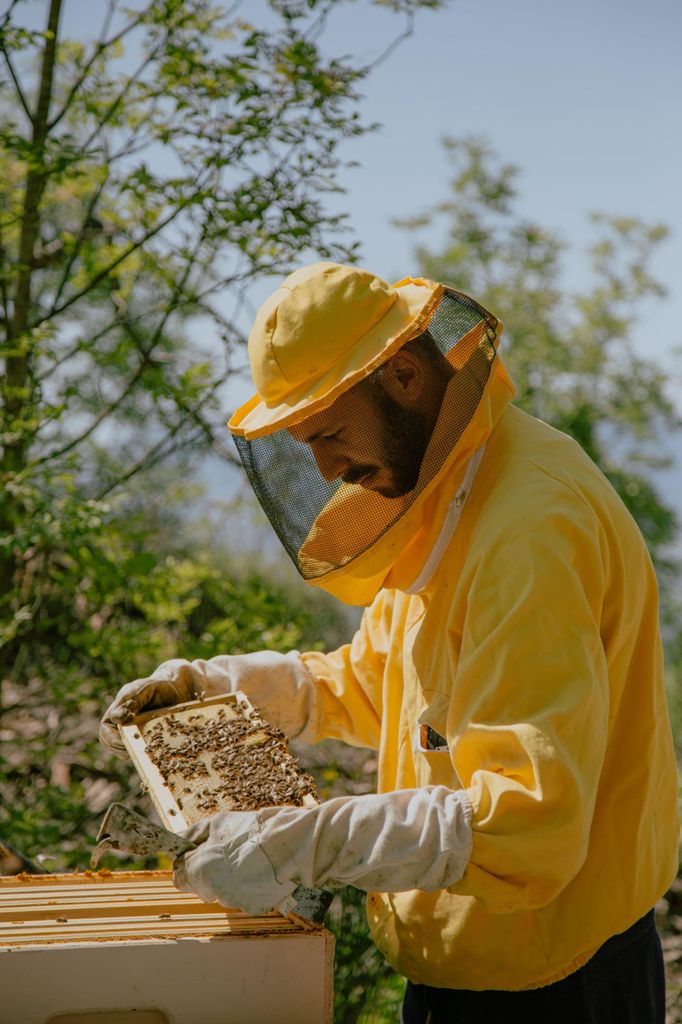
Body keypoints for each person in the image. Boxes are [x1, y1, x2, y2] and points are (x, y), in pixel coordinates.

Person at [100, 262, 679, 1022]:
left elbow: (529, 821)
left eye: (331, 433)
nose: (326, 468)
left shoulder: (530, 528)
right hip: (469, 963)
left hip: (555, 980)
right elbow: (387, 687)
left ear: (404, 374)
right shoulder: (449, 494)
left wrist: (308, 843)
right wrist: (229, 688)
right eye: (307, 444)